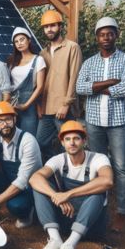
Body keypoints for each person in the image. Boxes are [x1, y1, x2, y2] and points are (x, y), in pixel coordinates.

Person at [76, 16, 125, 232]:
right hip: (93, 122)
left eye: (110, 33)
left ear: (116, 35)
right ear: (96, 37)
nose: (106, 37)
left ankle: (121, 212)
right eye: (102, 34)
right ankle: (99, 204)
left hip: (117, 122)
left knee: (121, 167)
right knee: (97, 166)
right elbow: (79, 88)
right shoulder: (89, 62)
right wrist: (111, 82)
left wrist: (94, 87)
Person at [30, 120, 113, 249]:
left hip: (91, 225)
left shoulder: (98, 158)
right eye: (67, 139)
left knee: (98, 193)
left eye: (76, 138)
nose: (72, 143)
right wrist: (56, 195)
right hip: (66, 219)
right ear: (62, 142)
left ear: (84, 140)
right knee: (41, 188)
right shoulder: (59, 159)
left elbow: (107, 181)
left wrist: (68, 194)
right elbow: (34, 178)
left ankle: (70, 245)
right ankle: (55, 239)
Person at [0, 101, 42, 228]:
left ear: (15, 119)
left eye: (8, 120)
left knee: (16, 206)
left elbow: (22, 181)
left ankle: (26, 214)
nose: (5, 124)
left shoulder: (28, 141)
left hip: (28, 188)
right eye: (0, 121)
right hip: (10, 181)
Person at [36, 10, 83, 163]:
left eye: (53, 25)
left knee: (70, 147)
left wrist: (65, 104)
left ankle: (72, 180)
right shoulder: (42, 53)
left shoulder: (72, 47)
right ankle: (57, 168)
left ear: (60, 26)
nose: (49, 29)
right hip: (46, 108)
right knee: (41, 143)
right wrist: (39, 105)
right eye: (46, 26)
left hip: (64, 109)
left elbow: (75, 78)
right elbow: (41, 83)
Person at [8, 27, 46, 136]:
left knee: (28, 137)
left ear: (29, 40)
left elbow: (40, 87)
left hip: (29, 106)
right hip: (13, 106)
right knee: (13, 137)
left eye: (22, 39)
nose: (19, 43)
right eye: (16, 41)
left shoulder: (38, 60)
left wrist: (26, 105)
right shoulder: (12, 61)